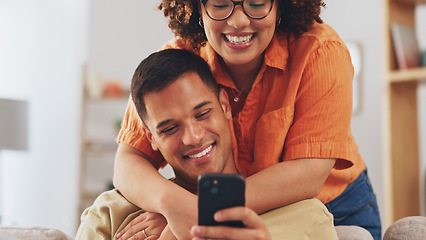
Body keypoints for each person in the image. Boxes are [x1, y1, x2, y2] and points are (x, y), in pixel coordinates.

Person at [114, 0, 381, 239]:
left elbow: (308, 175)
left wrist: (201, 210)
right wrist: (173, 205)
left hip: (333, 205)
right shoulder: (178, 61)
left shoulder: (321, 51)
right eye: (219, 5)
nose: (238, 21)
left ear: (280, 6)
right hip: (225, 206)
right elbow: (128, 162)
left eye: (256, 3)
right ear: (197, 8)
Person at [75, 48, 338, 240]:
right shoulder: (112, 212)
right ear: (150, 138)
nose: (193, 137)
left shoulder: (306, 218)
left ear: (225, 105)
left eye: (202, 114)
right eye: (169, 128)